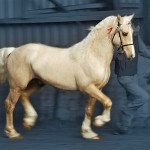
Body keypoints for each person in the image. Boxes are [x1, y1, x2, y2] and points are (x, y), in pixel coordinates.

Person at [113, 24, 150, 134]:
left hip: (133, 75)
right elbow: (113, 56)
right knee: (143, 97)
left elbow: (144, 51)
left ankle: (122, 127)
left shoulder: (136, 37)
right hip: (124, 76)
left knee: (132, 99)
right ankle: (124, 113)